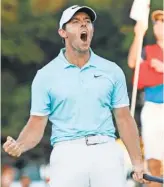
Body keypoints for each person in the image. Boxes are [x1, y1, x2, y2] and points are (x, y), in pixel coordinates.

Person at [3, 5, 149, 187]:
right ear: (62, 32)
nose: (84, 26)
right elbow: (36, 123)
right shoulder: (45, 75)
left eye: (87, 22)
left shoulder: (112, 71)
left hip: (106, 151)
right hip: (67, 153)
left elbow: (124, 119)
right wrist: (21, 144)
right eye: (75, 22)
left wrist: (136, 161)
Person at [128, 10, 164, 187]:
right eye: (156, 22)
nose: (158, 25)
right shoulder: (148, 51)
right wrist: (138, 35)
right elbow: (133, 62)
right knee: (153, 158)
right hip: (152, 106)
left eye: (162, 22)